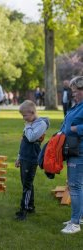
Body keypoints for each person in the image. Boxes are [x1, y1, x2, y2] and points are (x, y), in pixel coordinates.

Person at [14, 100, 49, 221]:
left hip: (31, 158)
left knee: (27, 185)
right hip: (24, 156)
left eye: (25, 115)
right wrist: (19, 157)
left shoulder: (41, 124)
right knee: (26, 183)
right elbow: (23, 140)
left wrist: (28, 126)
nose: (23, 118)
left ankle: (23, 210)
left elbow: (31, 137)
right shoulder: (29, 123)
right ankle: (30, 206)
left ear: (33, 112)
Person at [60, 76, 83, 234]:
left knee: (74, 186)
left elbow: (74, 127)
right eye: (72, 91)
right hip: (74, 149)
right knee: (79, 186)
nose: (73, 94)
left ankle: (75, 223)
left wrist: (75, 130)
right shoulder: (78, 105)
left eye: (75, 91)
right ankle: (79, 217)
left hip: (79, 151)